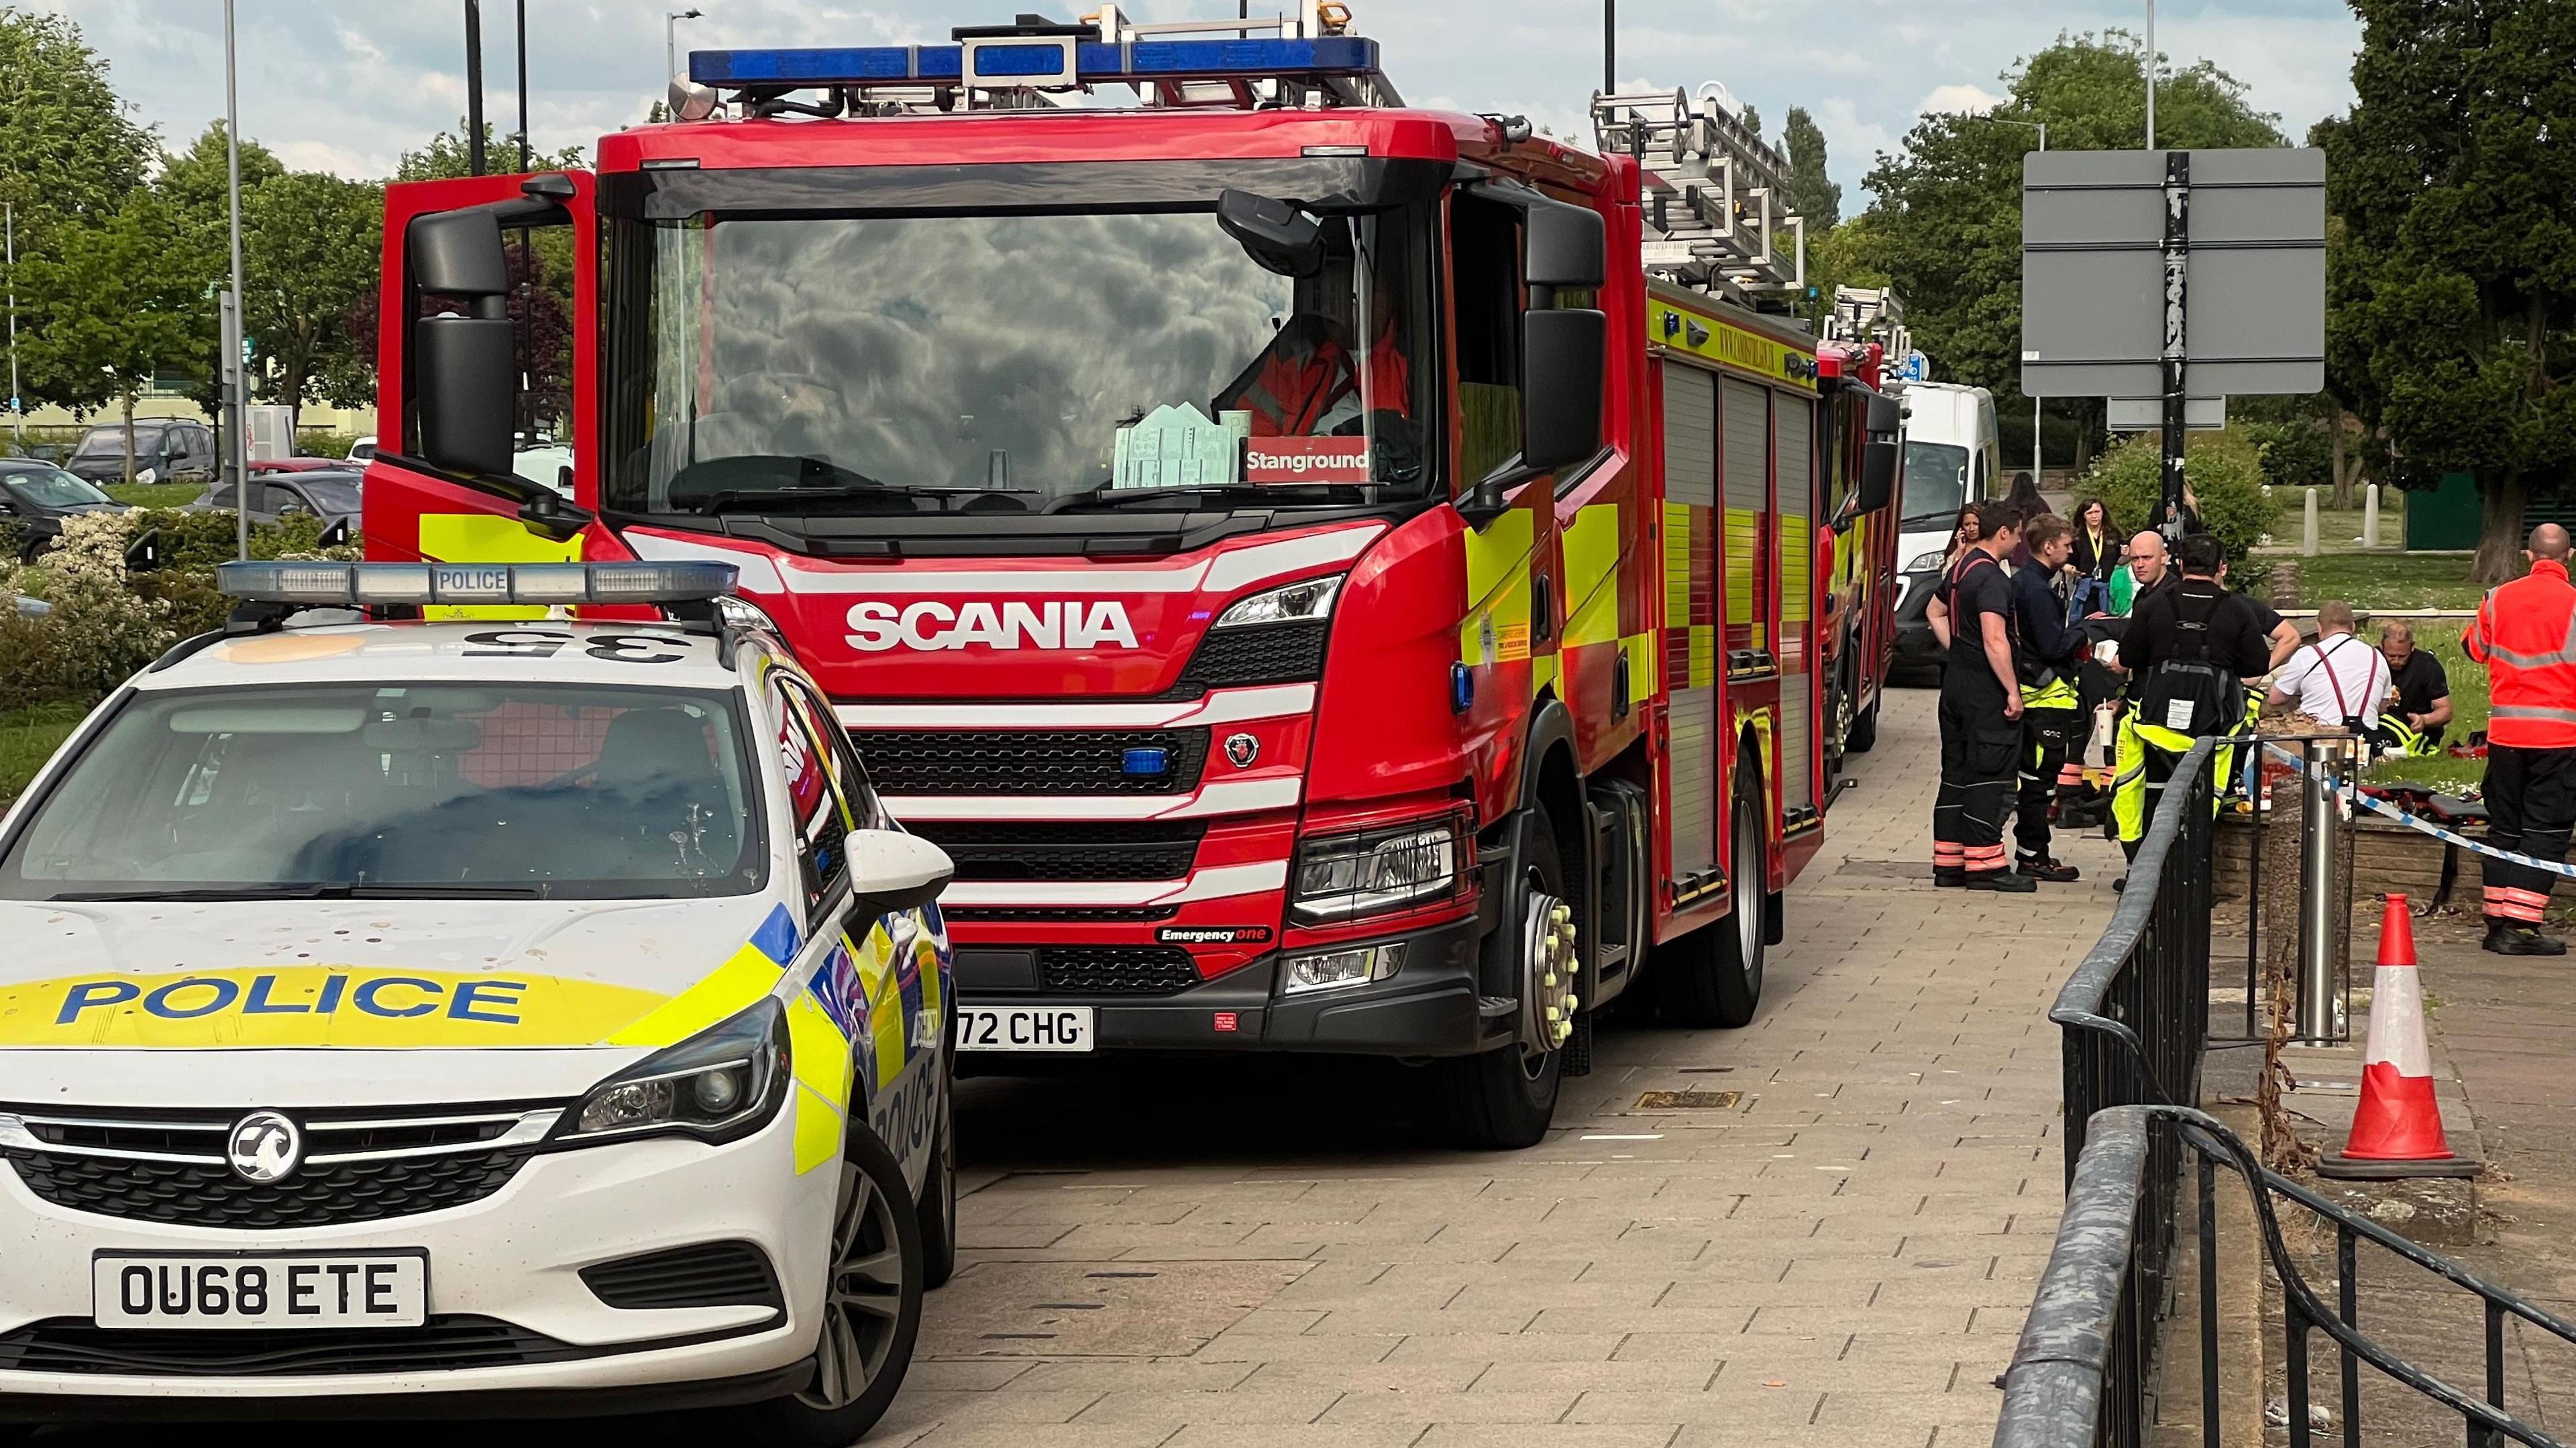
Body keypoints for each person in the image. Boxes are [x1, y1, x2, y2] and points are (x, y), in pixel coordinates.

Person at [2112, 533, 2271, 870]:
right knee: (2202, 797)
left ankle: (2143, 869)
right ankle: (2190, 872)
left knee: (2153, 790)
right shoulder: (2237, 609)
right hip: (2213, 723)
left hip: (2155, 722)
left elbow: (2128, 655)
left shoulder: (2154, 604)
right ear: (2221, 568)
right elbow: (2257, 665)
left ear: (2180, 564)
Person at [2462, 524, 2576, 955]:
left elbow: (2474, 649)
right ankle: (2522, 927)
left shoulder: (2498, 598)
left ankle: (2497, 921)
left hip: (2506, 735)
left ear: (2529, 556)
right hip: (2560, 738)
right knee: (2546, 832)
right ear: (2569, 557)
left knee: (2505, 828)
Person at [1925, 502, 2035, 892]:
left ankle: (1949, 864)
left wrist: (1957, 650)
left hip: (1955, 687)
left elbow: (1934, 611)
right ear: (2002, 532)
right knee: (1990, 774)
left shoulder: (1960, 570)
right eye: (2018, 533)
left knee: (1955, 774)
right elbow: (1994, 637)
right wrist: (2012, 691)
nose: (2020, 541)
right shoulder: (1992, 578)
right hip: (1984, 694)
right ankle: (1986, 865)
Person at [2009, 513, 2086, 881]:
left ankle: (2034, 853)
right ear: (2048, 546)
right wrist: (2086, 632)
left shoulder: (2029, 582)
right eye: (2067, 544)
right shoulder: (2036, 589)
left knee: (2036, 782)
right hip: (2043, 701)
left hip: (2038, 697)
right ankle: (2033, 858)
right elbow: (2053, 645)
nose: (2072, 549)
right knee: (2039, 784)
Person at [2267, 601, 2392, 733]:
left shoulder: (2308, 654)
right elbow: (2383, 707)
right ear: (2353, 626)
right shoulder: (2377, 656)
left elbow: (2276, 698)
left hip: (2321, 741)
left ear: (2319, 628)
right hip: (2364, 742)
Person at [2375, 620, 2454, 755]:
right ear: (2382, 648)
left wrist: (2424, 720)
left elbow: (2445, 711)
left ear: (2412, 647)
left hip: (2414, 731)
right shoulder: (2372, 660)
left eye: (2402, 656)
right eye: (2391, 656)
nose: (2396, 661)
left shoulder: (2427, 665)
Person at [2108, 531, 2172, 616]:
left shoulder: (2175, 597)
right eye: (2135, 559)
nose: (2140, 564)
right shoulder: (2140, 597)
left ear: (2164, 557)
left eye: (2147, 558)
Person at [2070, 498, 2121, 583]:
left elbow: (2122, 559)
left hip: (2110, 585)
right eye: (2090, 513)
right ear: (2083, 515)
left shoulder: (2114, 534)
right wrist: (2070, 570)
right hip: (2084, 586)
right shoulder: (2076, 536)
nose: (2094, 516)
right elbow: (2065, 561)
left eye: (2097, 512)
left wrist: (2126, 554)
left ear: (2103, 512)